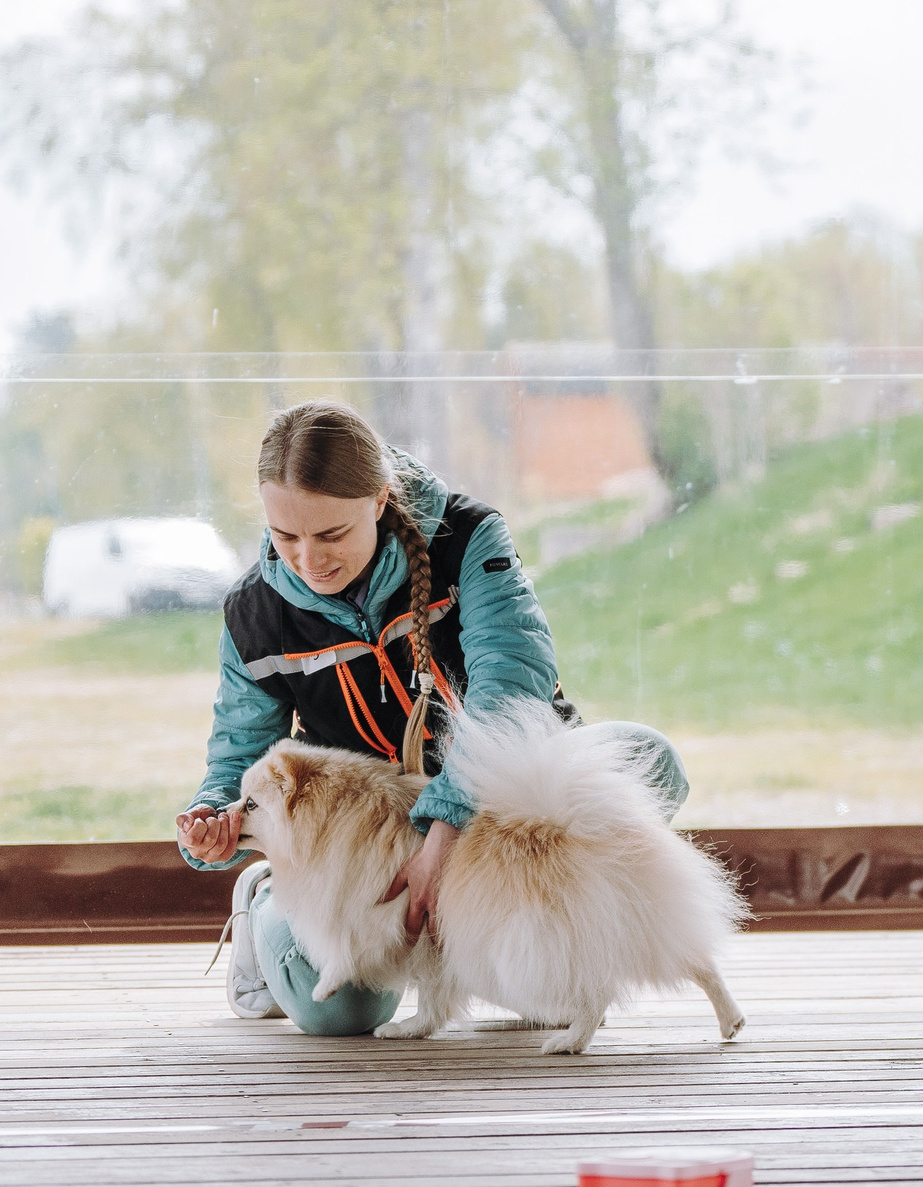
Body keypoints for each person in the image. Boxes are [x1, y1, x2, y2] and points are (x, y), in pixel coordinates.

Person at [174, 400, 687, 1033]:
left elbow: (513, 686)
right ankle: (264, 901)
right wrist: (214, 823)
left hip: (494, 811)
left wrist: (444, 831)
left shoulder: (470, 538)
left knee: (650, 764)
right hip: (374, 846)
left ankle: (499, 941)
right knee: (337, 1013)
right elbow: (237, 757)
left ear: (382, 500)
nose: (309, 560)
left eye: (331, 535)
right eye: (286, 537)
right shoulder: (253, 614)